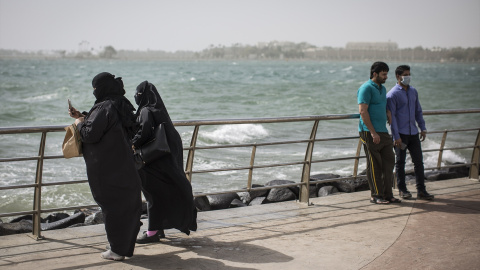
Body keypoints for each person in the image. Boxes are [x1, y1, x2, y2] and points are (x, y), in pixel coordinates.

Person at [69, 72, 142, 261]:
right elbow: (111, 124)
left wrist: (78, 123)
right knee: (126, 205)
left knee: (112, 206)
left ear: (101, 88)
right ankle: (121, 246)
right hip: (125, 164)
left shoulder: (104, 106)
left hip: (108, 168)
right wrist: (84, 115)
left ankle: (117, 250)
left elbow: (90, 134)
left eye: (95, 88)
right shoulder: (121, 104)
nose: (94, 92)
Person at [131, 81, 197, 243]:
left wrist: (132, 143)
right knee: (160, 195)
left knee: (153, 196)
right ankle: (158, 229)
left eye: (137, 94)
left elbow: (144, 132)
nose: (135, 97)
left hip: (151, 163)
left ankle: (152, 233)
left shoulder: (146, 110)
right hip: (164, 163)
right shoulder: (160, 111)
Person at [387, 65, 434, 200]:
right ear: (398, 76)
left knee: (419, 162)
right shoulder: (392, 94)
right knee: (400, 162)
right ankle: (402, 190)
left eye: (409, 74)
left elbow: (418, 111)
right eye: (405, 74)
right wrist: (396, 136)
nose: (408, 77)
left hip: (413, 133)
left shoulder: (413, 91)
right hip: (400, 135)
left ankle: (421, 190)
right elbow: (392, 119)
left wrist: (422, 128)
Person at [357, 62, 400, 204]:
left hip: (383, 131)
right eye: (383, 74)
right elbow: (363, 111)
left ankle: (388, 194)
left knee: (389, 161)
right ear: (374, 74)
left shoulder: (382, 89)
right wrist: (373, 132)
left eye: (387, 74)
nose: (386, 77)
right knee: (374, 164)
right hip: (369, 132)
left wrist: (388, 111)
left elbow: (382, 105)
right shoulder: (366, 88)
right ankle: (376, 195)